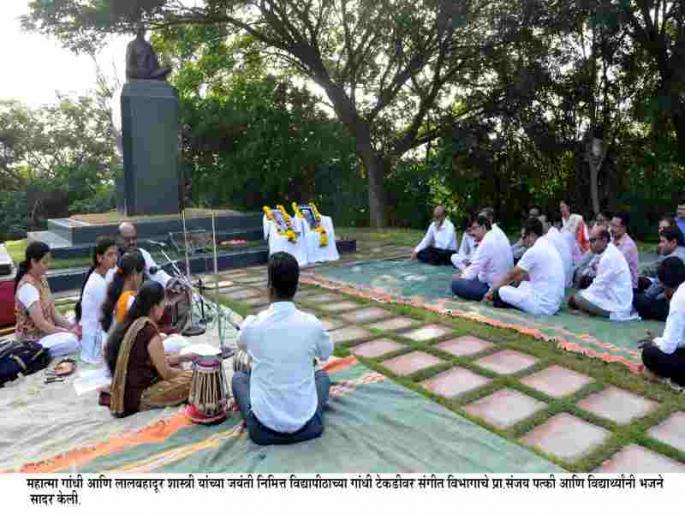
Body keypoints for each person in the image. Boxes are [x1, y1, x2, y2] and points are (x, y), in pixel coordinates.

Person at [231, 252, 333, 445]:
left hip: (262, 432)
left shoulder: (254, 325)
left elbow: (240, 343)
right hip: (309, 428)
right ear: (296, 287)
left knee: (238, 378)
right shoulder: (312, 324)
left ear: (269, 288)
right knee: (322, 376)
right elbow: (326, 353)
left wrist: (249, 324)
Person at [106, 282, 192, 417]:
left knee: (179, 366)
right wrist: (187, 373)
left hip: (126, 394)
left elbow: (153, 361)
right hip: (140, 398)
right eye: (163, 305)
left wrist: (184, 357)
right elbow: (166, 373)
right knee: (196, 378)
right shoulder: (148, 330)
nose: (164, 309)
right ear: (155, 307)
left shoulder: (131, 324)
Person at [486, 218, 565, 315]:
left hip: (541, 306)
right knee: (522, 284)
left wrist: (491, 290)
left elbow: (511, 275)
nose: (522, 241)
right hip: (553, 303)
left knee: (501, 291)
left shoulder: (534, 250)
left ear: (532, 235)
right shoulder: (547, 244)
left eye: (523, 237)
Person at [13, 242, 80, 356]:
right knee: (72, 341)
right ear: (33, 262)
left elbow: (54, 313)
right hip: (34, 341)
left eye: (49, 261)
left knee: (74, 319)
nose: (48, 265)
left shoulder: (42, 279)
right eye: (44, 262)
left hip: (47, 332)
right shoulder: (27, 287)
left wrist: (72, 327)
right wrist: (68, 332)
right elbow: (41, 325)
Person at [568, 226, 634, 319]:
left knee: (577, 298)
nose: (590, 244)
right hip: (612, 298)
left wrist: (583, 294)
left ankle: (588, 312)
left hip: (616, 306)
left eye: (593, 240)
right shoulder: (607, 251)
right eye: (589, 241)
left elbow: (598, 287)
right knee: (581, 294)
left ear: (604, 240)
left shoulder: (609, 257)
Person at [640, 257, 685, 386]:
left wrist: (655, 341)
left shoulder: (679, 298)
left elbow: (668, 347)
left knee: (649, 353)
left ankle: (669, 380)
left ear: (664, 285)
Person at [75, 237, 118, 363]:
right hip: (95, 337)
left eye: (116, 254)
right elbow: (109, 313)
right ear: (100, 258)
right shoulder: (96, 283)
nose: (115, 258)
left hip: (101, 328)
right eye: (110, 255)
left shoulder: (108, 273)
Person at [451, 214, 513, 301]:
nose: (472, 233)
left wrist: (460, 276)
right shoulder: (498, 232)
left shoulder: (487, 242)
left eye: (474, 228)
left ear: (483, 227)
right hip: (504, 282)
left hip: (492, 287)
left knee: (455, 284)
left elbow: (473, 271)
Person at [633, 226, 685, 321]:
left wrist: (642, 297)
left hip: (674, 302)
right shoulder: (678, 252)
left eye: (662, 241)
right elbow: (653, 267)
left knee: (637, 299)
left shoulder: (673, 259)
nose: (659, 245)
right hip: (675, 295)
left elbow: (656, 288)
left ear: (673, 242)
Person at [107, 222, 172, 287]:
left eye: (134, 238)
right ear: (117, 239)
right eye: (127, 239)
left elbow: (156, 274)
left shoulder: (142, 253)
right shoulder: (109, 258)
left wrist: (171, 281)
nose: (132, 242)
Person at [101, 251, 146, 334]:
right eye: (141, 275)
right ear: (134, 274)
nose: (142, 280)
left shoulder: (114, 294)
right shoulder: (130, 301)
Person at [609, 212, 639, 289]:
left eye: (615, 226)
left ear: (623, 228)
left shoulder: (628, 246)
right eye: (611, 225)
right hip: (614, 282)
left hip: (627, 287)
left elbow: (613, 267)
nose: (611, 229)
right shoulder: (611, 240)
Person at [545, 212, 573, 287]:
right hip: (568, 280)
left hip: (559, 283)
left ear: (549, 224)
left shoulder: (550, 236)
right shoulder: (560, 234)